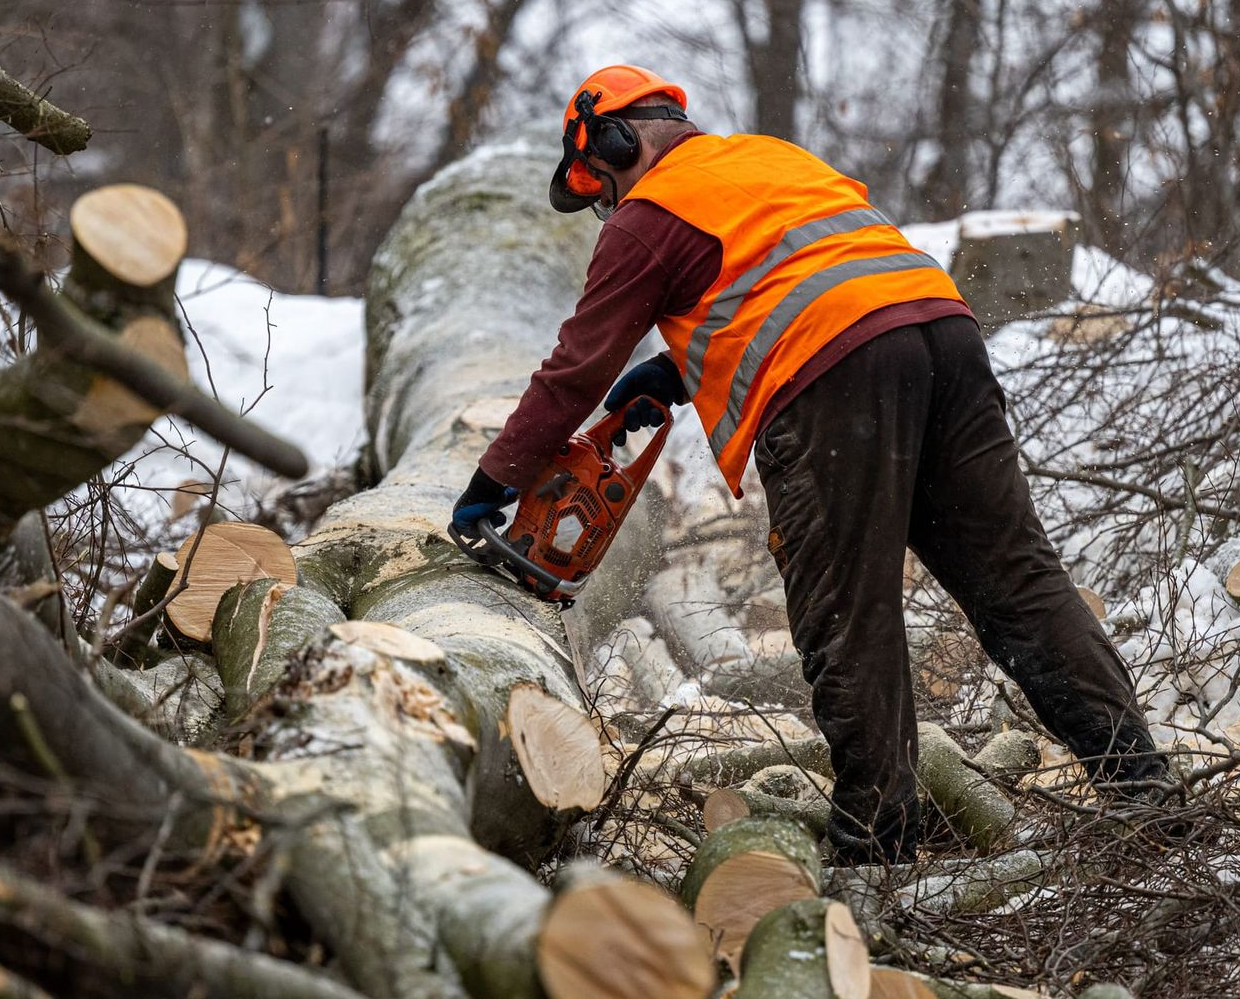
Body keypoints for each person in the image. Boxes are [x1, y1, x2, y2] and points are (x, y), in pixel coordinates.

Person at [449, 64, 1171, 864]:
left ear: (617, 140)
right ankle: (1142, 786)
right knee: (1018, 581)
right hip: (944, 335)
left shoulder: (648, 214)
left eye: (600, 183)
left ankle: (877, 839)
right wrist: (685, 367)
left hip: (832, 376)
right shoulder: (772, 158)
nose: (606, 205)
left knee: (845, 609)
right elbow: (807, 272)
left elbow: (575, 369)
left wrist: (494, 482)